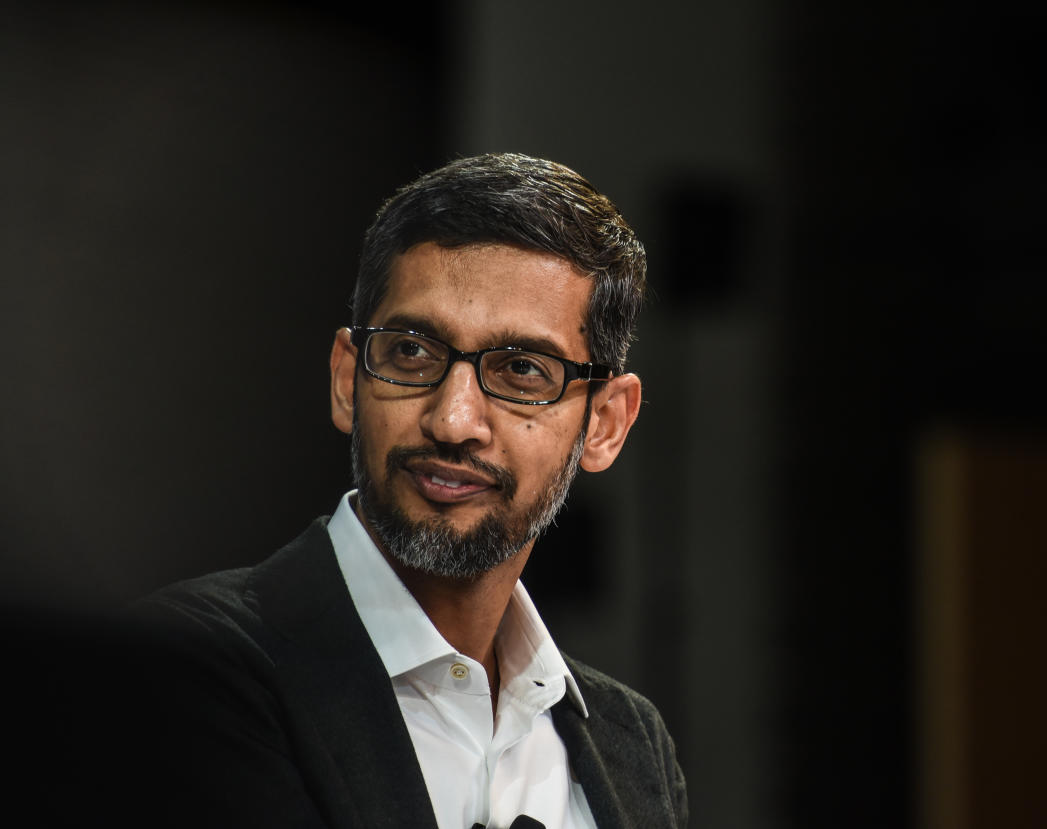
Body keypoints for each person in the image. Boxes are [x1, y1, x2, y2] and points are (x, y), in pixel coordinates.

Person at [120, 152, 687, 828]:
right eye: (412, 352)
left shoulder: (634, 744)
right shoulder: (184, 666)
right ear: (345, 380)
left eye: (522, 370)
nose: (453, 420)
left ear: (604, 423)